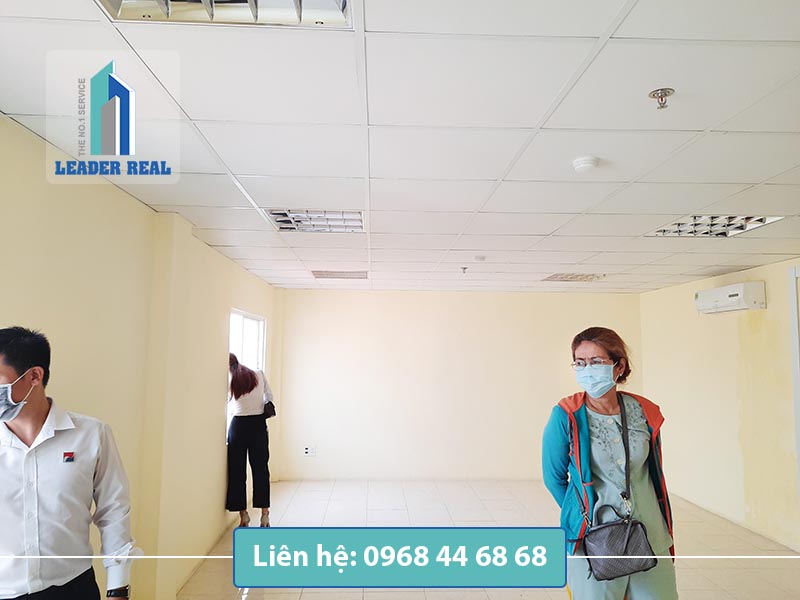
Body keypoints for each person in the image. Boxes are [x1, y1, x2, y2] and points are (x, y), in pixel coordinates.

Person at [0, 326, 138, 600]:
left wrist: (118, 588)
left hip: (73, 588)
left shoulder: (91, 435)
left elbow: (114, 512)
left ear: (34, 376)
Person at [542, 326, 678, 599]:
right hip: (595, 538)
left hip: (649, 533)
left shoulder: (644, 412)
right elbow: (554, 477)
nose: (587, 370)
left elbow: (652, 471)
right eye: (580, 363)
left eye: (596, 361)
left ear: (619, 366)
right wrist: (582, 513)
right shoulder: (567, 415)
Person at [226, 353, 273, 528]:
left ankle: (243, 516)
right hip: (257, 426)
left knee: (237, 472)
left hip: (237, 427)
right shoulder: (258, 374)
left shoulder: (229, 380)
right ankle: (264, 517)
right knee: (261, 470)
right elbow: (269, 396)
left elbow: (226, 403)